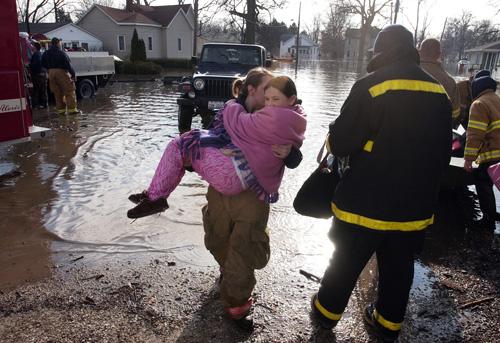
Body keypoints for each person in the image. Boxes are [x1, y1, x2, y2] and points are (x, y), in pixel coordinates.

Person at [309, 25, 451, 342]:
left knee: (345, 260)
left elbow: (341, 142)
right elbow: (444, 154)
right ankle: (388, 324)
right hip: (415, 207)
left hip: (366, 203)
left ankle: (325, 313)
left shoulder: (370, 86)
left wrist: (333, 133)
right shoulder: (438, 92)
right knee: (399, 267)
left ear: (380, 52)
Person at [127, 74, 306, 219]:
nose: (270, 98)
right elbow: (211, 137)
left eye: (275, 96)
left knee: (180, 143)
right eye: (266, 93)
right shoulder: (269, 114)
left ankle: (155, 196)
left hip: (248, 196)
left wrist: (291, 153)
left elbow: (293, 158)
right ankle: (154, 195)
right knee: (218, 242)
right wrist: (191, 160)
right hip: (225, 190)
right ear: (252, 90)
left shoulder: (271, 115)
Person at [463, 75, 500, 228]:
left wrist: (468, 159)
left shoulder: (479, 104)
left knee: (483, 181)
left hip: (492, 153)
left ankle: (488, 218)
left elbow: (475, 135)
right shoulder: (497, 99)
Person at [419, 38, 461, 124]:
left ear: (420, 52)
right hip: (436, 133)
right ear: (439, 54)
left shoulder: (405, 73)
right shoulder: (449, 81)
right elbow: (455, 113)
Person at [41, 37, 80, 115]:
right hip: (61, 72)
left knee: (57, 93)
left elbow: (42, 64)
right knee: (69, 91)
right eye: (60, 43)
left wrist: (49, 70)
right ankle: (72, 110)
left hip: (50, 73)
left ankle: (61, 111)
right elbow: (68, 65)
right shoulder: (61, 53)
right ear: (58, 43)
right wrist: (73, 74)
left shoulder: (46, 53)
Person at [30, 42, 48, 109]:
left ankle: (36, 105)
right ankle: (44, 104)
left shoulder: (36, 54)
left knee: (36, 90)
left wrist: (30, 66)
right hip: (43, 74)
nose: (31, 47)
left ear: (35, 47)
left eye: (33, 46)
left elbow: (36, 65)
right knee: (43, 90)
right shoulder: (41, 54)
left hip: (38, 75)